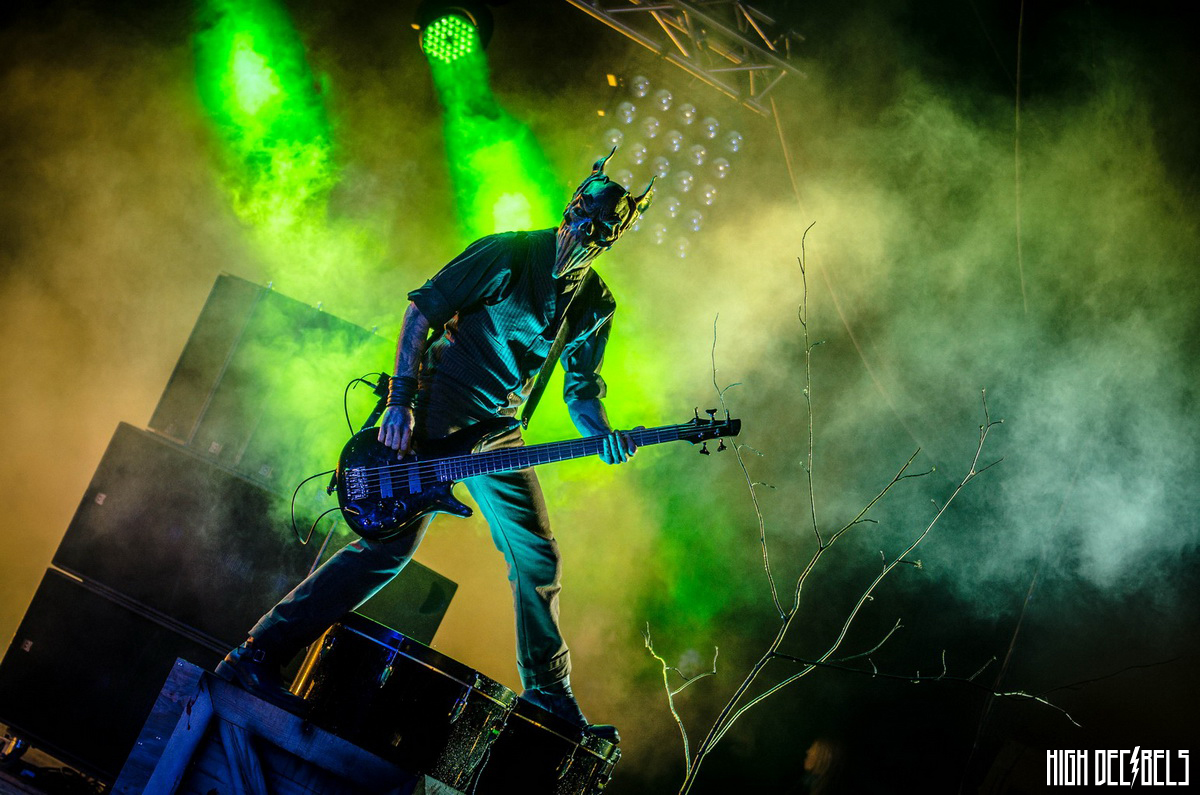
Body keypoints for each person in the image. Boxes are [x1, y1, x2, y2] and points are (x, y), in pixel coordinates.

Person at [216, 150, 654, 743]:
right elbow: (420, 310)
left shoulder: (596, 304)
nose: (586, 235)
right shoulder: (509, 253)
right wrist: (400, 401)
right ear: (570, 206)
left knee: (537, 557)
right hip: (437, 408)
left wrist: (602, 435)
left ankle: (550, 697)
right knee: (386, 550)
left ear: (614, 237)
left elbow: (580, 391)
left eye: (602, 230)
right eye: (583, 218)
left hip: (498, 430)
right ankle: (257, 653)